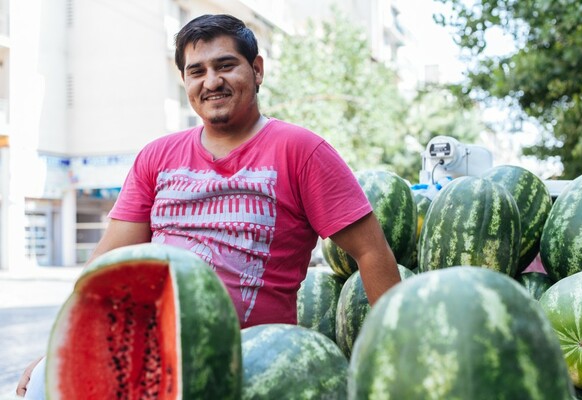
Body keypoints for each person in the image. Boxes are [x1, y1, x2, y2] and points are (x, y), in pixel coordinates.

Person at [16, 13, 400, 398]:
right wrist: (58, 347)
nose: (211, 81)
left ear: (257, 70)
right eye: (196, 71)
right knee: (40, 386)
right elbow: (105, 265)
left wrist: (389, 360)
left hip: (249, 364)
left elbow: (371, 251)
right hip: (148, 351)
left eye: (226, 65)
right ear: (185, 81)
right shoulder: (157, 156)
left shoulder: (302, 150)